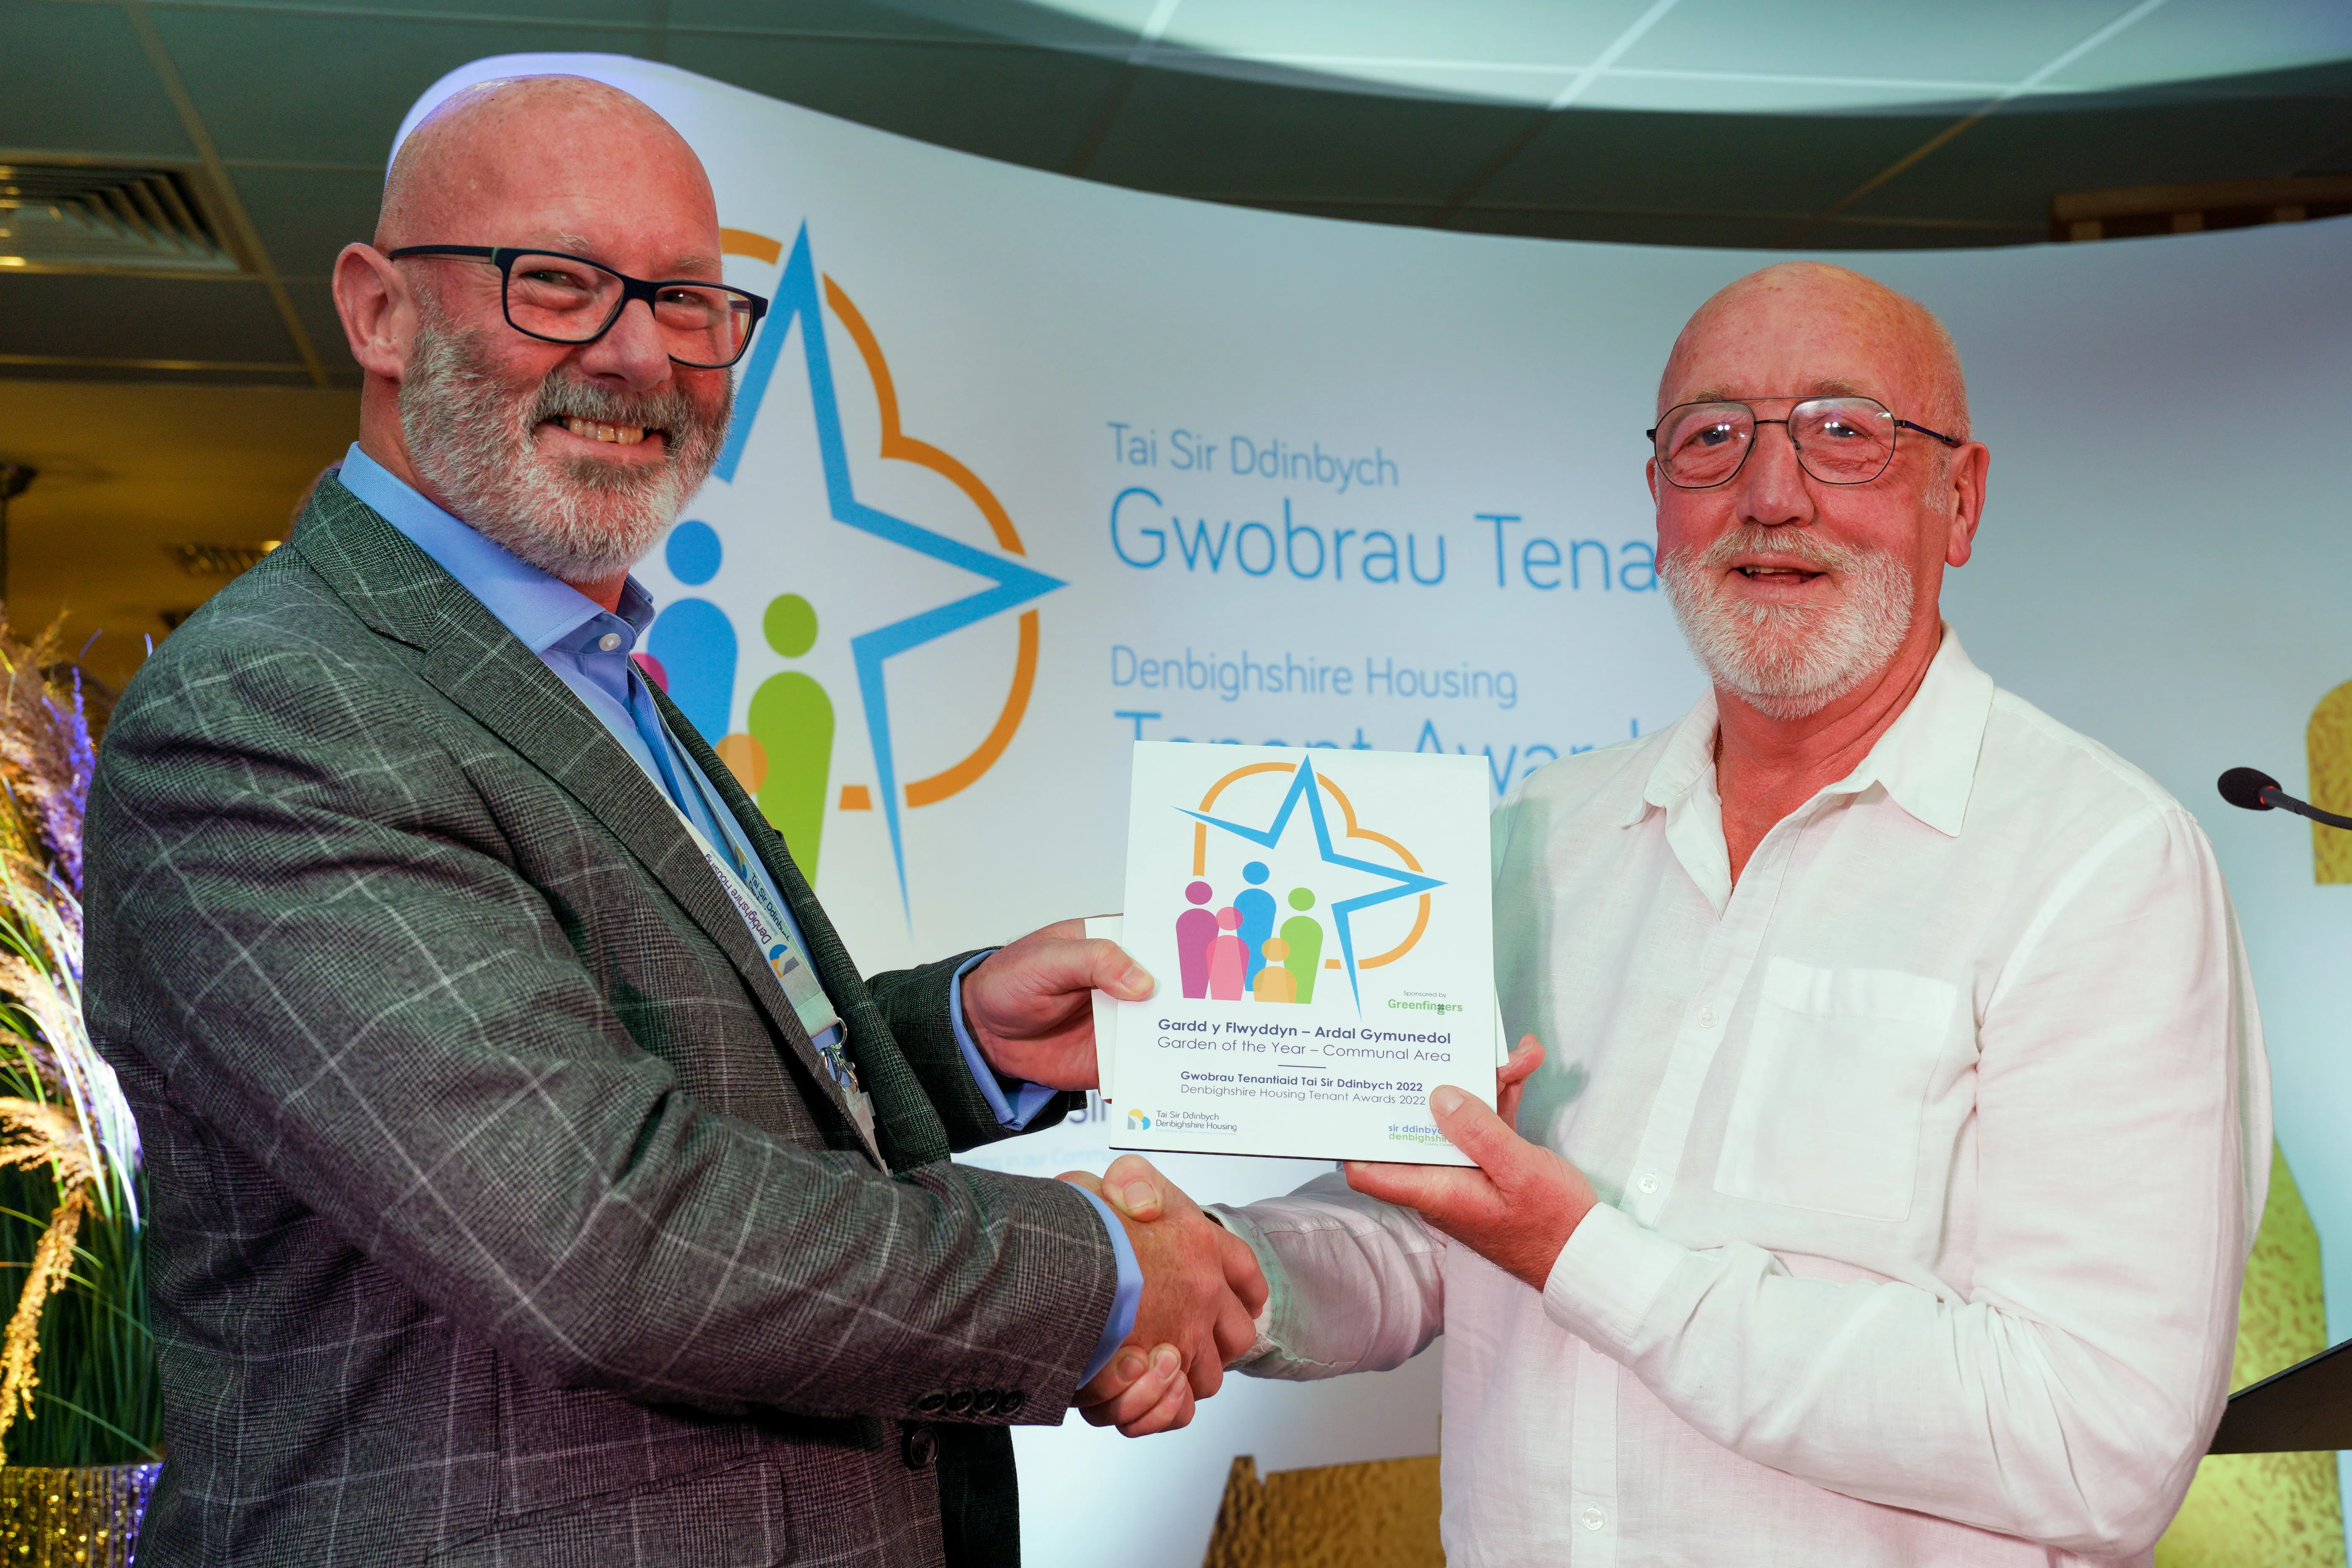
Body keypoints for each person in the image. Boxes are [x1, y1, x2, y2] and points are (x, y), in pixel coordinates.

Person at [83, 74, 1260, 1568]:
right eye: (559, 284)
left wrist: (959, 1037)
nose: (640, 352)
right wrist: (1096, 1274)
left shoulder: (582, 664)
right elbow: (600, 1231)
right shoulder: (271, 712)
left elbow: (677, 1072)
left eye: (693, 301)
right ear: (380, 312)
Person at [1089, 262, 2269, 1564]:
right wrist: (1223, 1276)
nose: (1771, 494)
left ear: (1960, 499)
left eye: (1844, 432)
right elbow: (1436, 1236)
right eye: (1712, 439)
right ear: (1657, 500)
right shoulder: (1535, 837)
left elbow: (2090, 1441)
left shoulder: (2097, 863)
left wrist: (1583, 1254)